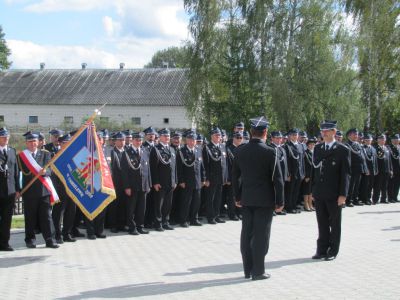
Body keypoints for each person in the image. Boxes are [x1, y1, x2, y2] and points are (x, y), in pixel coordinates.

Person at [232, 116, 284, 280]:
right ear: (265, 132)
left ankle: (247, 270)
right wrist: (280, 201)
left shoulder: (240, 150)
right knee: (261, 235)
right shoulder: (271, 151)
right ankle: (258, 271)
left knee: (246, 233)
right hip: (264, 200)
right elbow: (278, 179)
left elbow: (235, 177)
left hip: (246, 199)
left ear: (250, 132)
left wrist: (237, 196)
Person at [312, 120, 350, 261]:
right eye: (323, 131)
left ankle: (333, 250)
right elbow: (314, 171)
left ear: (334, 132)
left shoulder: (342, 149)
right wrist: (313, 191)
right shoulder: (318, 148)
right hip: (320, 192)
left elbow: (345, 174)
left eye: (327, 130)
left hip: (334, 193)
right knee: (321, 222)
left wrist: (343, 194)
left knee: (334, 223)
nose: (324, 133)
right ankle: (321, 250)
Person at [17, 131, 59, 248]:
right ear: (26, 143)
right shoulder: (21, 157)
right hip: (29, 192)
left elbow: (51, 170)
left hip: (43, 190)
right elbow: (17, 174)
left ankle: (50, 240)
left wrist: (46, 172)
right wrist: (18, 190)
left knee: (46, 216)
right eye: (29, 141)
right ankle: (30, 240)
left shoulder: (46, 154)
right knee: (30, 217)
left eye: (34, 141)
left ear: (38, 142)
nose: (32, 144)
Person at [121, 132, 152, 235]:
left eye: (140, 140)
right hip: (132, 186)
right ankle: (131, 227)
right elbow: (124, 172)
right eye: (136, 140)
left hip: (143, 185)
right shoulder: (127, 152)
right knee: (131, 208)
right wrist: (126, 187)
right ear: (132, 140)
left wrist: (149, 184)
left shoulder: (144, 151)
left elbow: (147, 170)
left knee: (141, 208)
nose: (138, 142)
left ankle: (140, 226)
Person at [51, 134, 77, 243]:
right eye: (64, 143)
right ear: (60, 144)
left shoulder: (74, 155)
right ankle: (57, 234)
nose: (67, 145)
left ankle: (67, 233)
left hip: (73, 190)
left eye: (68, 143)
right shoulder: (55, 156)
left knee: (71, 212)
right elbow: (53, 175)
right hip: (60, 189)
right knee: (58, 213)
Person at [150, 128, 177, 231]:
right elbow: (153, 167)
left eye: (168, 136)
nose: (167, 138)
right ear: (160, 137)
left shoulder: (172, 149)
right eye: (165, 136)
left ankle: (166, 221)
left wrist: (175, 180)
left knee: (167, 204)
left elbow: (174, 167)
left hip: (170, 181)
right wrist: (155, 182)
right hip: (160, 182)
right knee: (159, 204)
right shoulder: (155, 149)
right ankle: (158, 223)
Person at [176, 131, 206, 227]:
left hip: (197, 181)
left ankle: (194, 219)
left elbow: (202, 166)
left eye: (194, 140)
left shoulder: (198, 150)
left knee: (196, 202)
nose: (192, 142)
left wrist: (203, 179)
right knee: (186, 202)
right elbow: (179, 168)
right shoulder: (181, 151)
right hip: (187, 181)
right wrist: (181, 181)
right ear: (187, 140)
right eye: (190, 140)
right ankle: (183, 220)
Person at [0, 128, 20, 251]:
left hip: (10, 191)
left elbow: (16, 172)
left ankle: (4, 243)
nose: (5, 139)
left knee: (7, 219)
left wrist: (18, 189)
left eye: (7, 137)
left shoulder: (12, 151)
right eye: (2, 137)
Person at [373, 134, 393, 204]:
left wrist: (391, 169)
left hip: (386, 170)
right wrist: (375, 170)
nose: (382, 140)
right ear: (378, 140)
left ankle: (383, 199)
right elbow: (375, 161)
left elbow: (389, 160)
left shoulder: (387, 148)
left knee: (385, 186)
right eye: (381, 139)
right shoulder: (375, 148)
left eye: (384, 139)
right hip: (379, 170)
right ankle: (375, 199)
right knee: (377, 185)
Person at [303, 137, 317, 211]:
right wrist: (306, 175)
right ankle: (306, 204)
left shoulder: (314, 153)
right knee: (306, 190)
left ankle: (310, 204)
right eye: (310, 144)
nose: (312, 146)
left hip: (313, 174)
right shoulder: (305, 153)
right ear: (307, 145)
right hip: (308, 174)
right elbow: (305, 165)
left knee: (311, 190)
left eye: (313, 144)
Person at [388, 134, 400, 203]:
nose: (396, 141)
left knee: (397, 184)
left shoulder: (399, 147)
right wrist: (390, 169)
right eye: (395, 140)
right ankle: (390, 197)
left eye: (397, 140)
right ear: (392, 140)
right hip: (393, 169)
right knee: (391, 184)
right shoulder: (389, 148)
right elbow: (388, 160)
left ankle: (395, 197)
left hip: (399, 169)